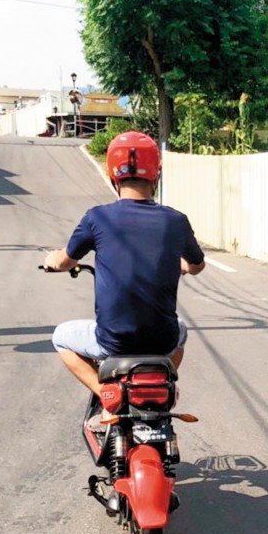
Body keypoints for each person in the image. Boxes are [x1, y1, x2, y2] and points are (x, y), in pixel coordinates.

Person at [44, 130, 205, 413]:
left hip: (113, 340)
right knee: (180, 331)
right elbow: (197, 265)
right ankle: (165, 383)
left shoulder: (98, 217)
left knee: (60, 336)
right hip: (162, 340)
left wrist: (52, 259)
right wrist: (185, 265)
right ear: (155, 176)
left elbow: (65, 261)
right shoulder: (177, 222)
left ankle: (106, 392)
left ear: (113, 176)